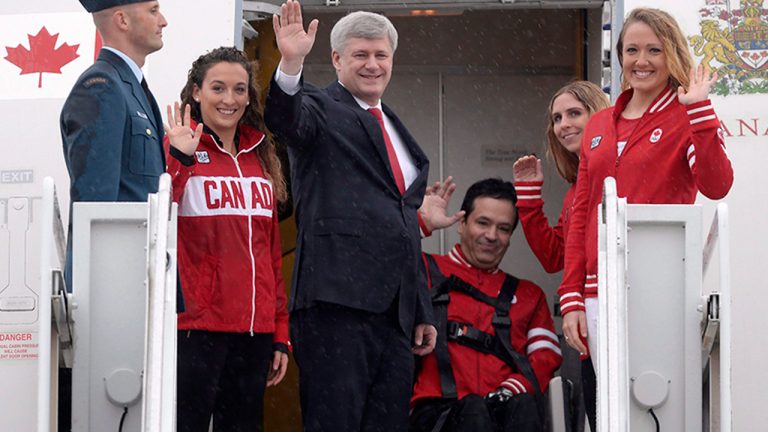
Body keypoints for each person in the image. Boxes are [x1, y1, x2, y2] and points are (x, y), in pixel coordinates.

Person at [264, 2, 461, 430]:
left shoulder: (392, 124)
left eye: (381, 55)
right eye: (360, 55)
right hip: (336, 304)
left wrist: (421, 309)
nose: (373, 65)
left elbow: (404, 222)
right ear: (336, 59)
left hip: (394, 313)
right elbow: (285, 118)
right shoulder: (318, 106)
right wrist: (291, 63)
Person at [559, 8, 734, 373]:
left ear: (671, 53)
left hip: (660, 284)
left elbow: (716, 185)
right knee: (603, 410)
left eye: (654, 50)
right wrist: (571, 296)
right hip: (597, 291)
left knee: (654, 401)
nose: (641, 61)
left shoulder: (686, 115)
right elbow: (582, 217)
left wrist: (699, 111)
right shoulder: (599, 124)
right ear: (620, 55)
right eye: (632, 50)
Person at [163, 47, 290, 432]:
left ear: (249, 96)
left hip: (254, 333)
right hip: (195, 330)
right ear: (196, 92)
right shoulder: (180, 148)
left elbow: (270, 257)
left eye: (239, 89)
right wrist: (179, 159)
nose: (229, 99)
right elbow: (156, 221)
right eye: (218, 88)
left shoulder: (260, 156)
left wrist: (280, 332)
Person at [59, 2, 167, 430]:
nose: (163, 20)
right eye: (154, 9)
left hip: (136, 293)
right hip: (113, 301)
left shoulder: (133, 88)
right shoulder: (103, 85)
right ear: (122, 20)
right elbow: (95, 210)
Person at [410, 178, 562, 432]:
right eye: (483, 223)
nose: (491, 236)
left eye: (503, 228)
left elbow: (546, 358)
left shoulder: (529, 295)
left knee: (524, 404)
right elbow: (369, 262)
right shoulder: (421, 270)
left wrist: (510, 389)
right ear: (462, 223)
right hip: (436, 418)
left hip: (504, 414)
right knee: (473, 410)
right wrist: (420, 224)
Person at [512, 81, 609, 431]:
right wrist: (528, 198)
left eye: (574, 113)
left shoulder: (614, 174)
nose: (563, 124)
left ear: (599, 116)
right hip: (590, 336)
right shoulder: (574, 192)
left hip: (614, 326)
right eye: (557, 117)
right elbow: (556, 257)